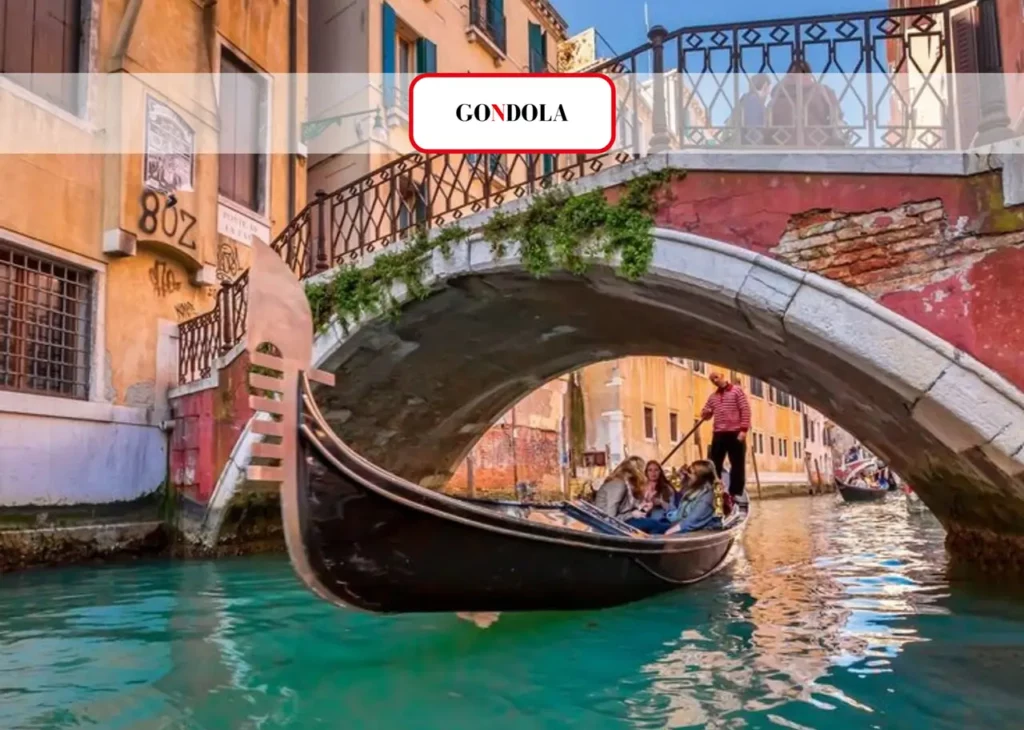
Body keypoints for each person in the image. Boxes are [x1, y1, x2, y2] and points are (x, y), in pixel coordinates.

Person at [767, 59, 845, 148]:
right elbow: (837, 116)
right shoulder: (823, 91)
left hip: (782, 145)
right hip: (817, 144)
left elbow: (769, 122)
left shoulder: (777, 96)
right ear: (809, 74)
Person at [701, 372, 751, 498]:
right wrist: (705, 413)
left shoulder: (737, 391)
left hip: (735, 433)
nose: (715, 381)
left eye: (716, 377)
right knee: (714, 464)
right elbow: (705, 414)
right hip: (719, 433)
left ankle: (736, 494)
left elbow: (745, 409)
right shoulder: (713, 397)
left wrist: (744, 430)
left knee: (737, 464)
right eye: (712, 380)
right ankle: (715, 491)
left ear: (722, 376)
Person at [726, 73, 771, 146]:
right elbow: (754, 133)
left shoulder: (745, 101)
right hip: (747, 153)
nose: (768, 93)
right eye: (769, 89)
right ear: (765, 86)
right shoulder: (754, 101)